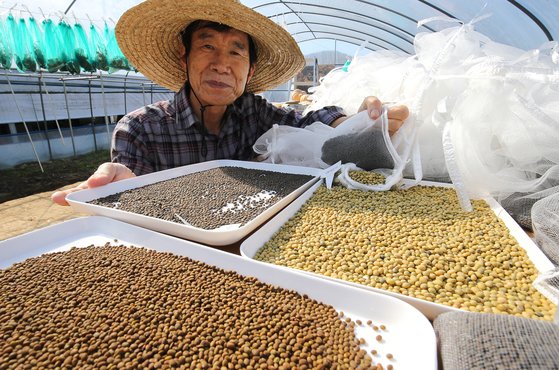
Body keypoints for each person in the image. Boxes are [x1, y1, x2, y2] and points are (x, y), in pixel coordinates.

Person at [52, 0, 409, 206]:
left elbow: (305, 119)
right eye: (207, 46)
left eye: (235, 52)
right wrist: (121, 188)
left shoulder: (255, 114)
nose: (221, 64)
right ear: (184, 56)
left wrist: (356, 122)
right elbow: (131, 202)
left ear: (250, 68)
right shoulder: (140, 129)